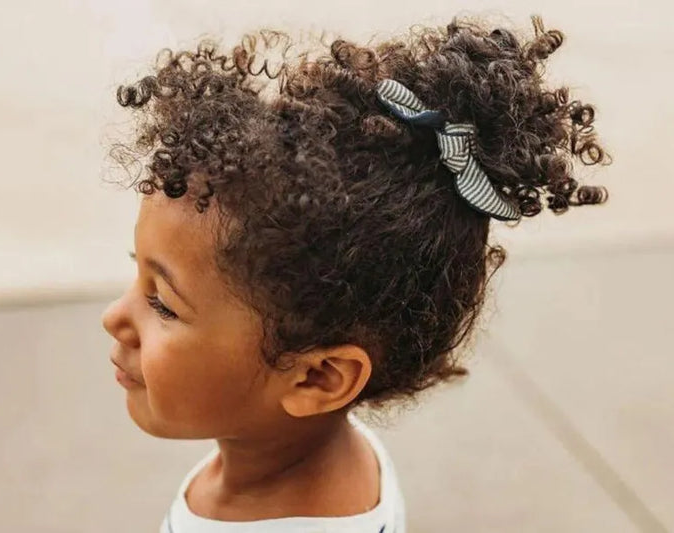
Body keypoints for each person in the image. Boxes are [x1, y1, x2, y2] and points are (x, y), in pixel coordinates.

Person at [100, 16, 609, 532]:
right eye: (137, 275)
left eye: (162, 302)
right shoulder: (316, 452)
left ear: (318, 377)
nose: (114, 317)